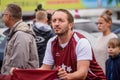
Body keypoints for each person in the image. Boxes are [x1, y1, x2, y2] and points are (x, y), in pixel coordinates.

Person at [40, 9, 106, 80]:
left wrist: (67, 76)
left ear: (70, 25)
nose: (56, 24)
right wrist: (27, 73)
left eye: (61, 20)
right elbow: (45, 69)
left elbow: (82, 74)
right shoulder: (51, 42)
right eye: (54, 21)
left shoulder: (81, 42)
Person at [1, 3, 39, 74]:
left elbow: (18, 67)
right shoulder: (16, 33)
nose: (2, 17)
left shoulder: (21, 35)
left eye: (3, 14)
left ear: (8, 16)